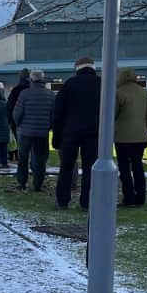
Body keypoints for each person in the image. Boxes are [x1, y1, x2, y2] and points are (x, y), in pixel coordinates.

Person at [52, 57, 101, 210]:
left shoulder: (69, 84)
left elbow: (58, 112)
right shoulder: (101, 84)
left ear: (77, 68)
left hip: (70, 132)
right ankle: (87, 202)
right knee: (90, 168)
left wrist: (56, 137)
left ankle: (62, 200)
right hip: (93, 132)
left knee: (66, 167)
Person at [114, 67, 147, 207]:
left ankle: (129, 197)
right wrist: (146, 132)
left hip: (122, 137)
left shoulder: (119, 93)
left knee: (124, 168)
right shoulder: (144, 93)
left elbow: (113, 115)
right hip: (140, 136)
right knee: (138, 167)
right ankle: (140, 197)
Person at [13, 70, 54, 191]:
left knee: (23, 157)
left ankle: (22, 182)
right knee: (40, 159)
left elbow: (17, 113)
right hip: (42, 132)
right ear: (43, 80)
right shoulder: (50, 95)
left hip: (26, 131)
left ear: (31, 80)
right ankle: (37, 184)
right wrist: (48, 126)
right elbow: (54, 115)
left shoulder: (25, 94)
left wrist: (19, 124)